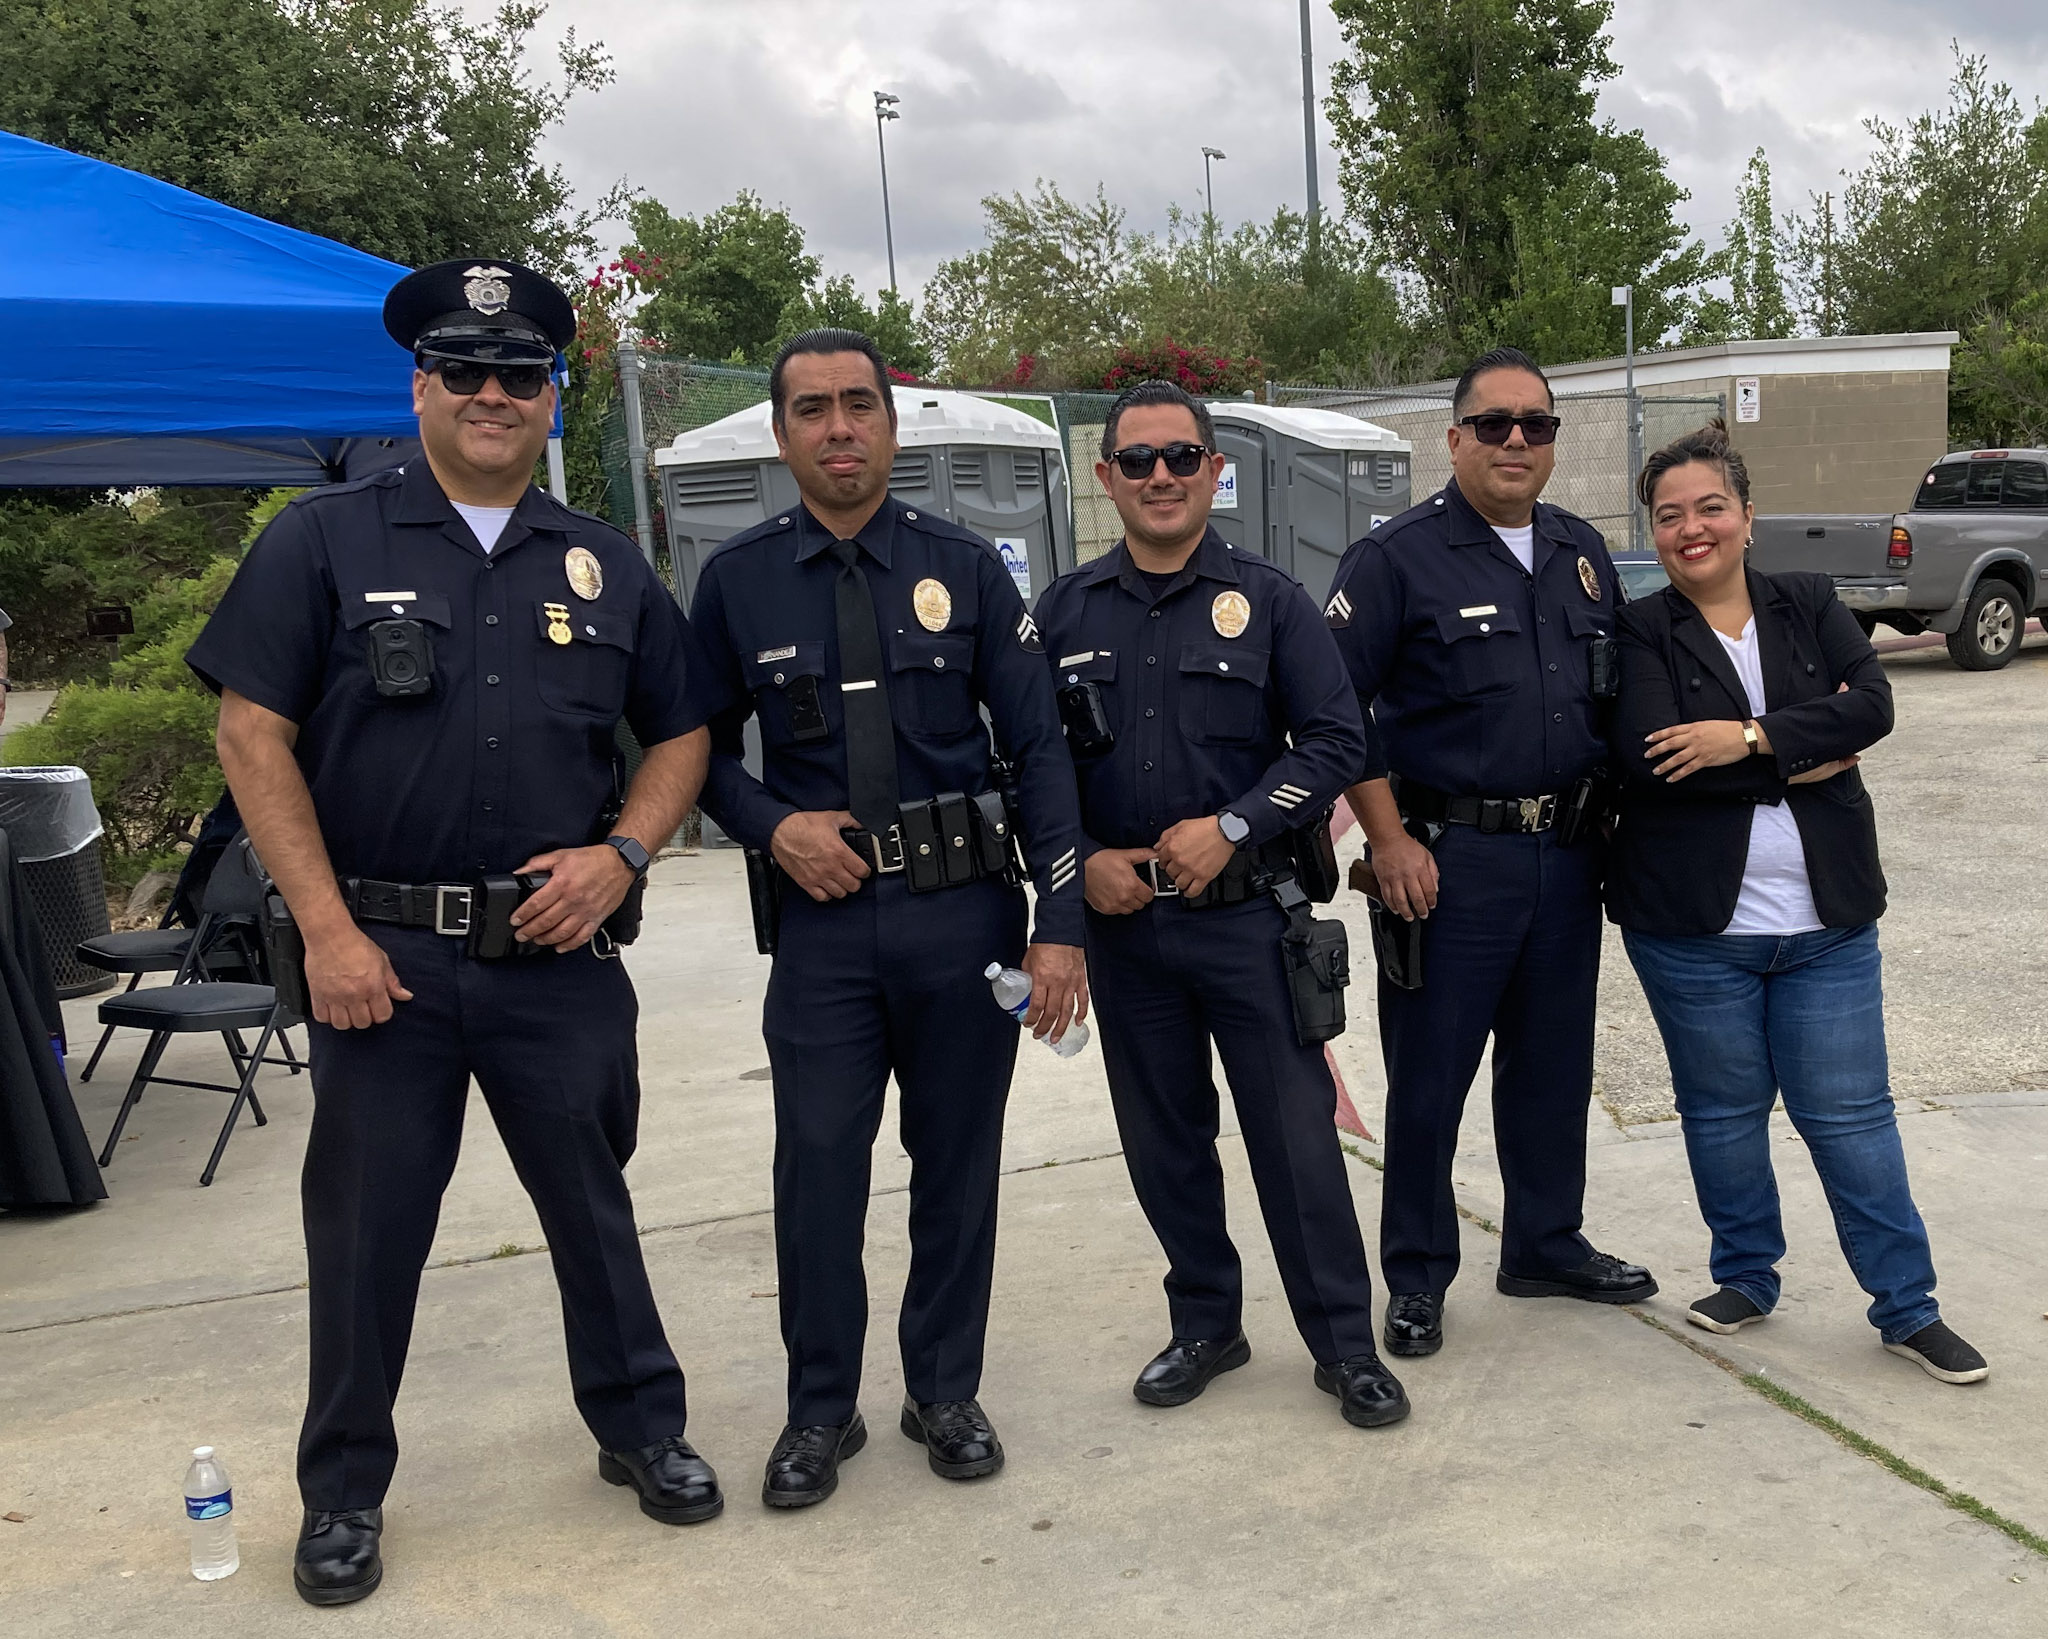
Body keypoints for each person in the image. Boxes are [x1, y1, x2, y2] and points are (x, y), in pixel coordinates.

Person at [188, 259, 720, 1607]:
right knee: (366, 1236)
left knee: (594, 1211)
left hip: (560, 956)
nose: (495, 393)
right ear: (419, 386)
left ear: (552, 395)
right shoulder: (322, 541)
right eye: (467, 372)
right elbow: (252, 732)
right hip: (383, 964)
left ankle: (641, 1428)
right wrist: (324, 931)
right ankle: (344, 1492)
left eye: (522, 375)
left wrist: (624, 853)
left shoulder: (603, 559)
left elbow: (685, 731)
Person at [684, 328, 1090, 1510]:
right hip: (821, 925)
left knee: (954, 1164)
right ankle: (820, 1410)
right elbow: (693, 752)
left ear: (890, 426)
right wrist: (770, 826)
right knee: (815, 1167)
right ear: (781, 435)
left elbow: (1040, 752)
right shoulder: (737, 579)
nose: (838, 427)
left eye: (858, 404)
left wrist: (1057, 923)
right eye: (811, 409)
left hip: (962, 917)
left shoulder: (964, 568)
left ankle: (942, 1388)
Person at [1034, 380, 1408, 1428]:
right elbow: (1031, 765)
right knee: (1163, 1140)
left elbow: (1336, 740)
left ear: (1215, 471)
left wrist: (1235, 824)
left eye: (1182, 458)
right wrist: (1075, 861)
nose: (1161, 476)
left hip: (1251, 919)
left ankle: (1341, 1343)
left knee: (1294, 1140)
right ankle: (1205, 1322)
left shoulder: (1273, 600)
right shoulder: (1062, 612)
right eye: (1139, 460)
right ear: (1105, 477)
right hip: (1127, 931)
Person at [1608, 423, 1987, 1385]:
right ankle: (1745, 1275)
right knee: (1723, 1113)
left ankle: (1907, 1307)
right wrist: (1799, 755)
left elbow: (1874, 706)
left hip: (1826, 927)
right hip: (1694, 931)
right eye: (1670, 515)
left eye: (1710, 508)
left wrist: (1742, 738)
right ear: (1654, 533)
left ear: (1746, 517)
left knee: (1852, 1118)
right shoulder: (1641, 629)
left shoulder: (1810, 601)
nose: (1692, 529)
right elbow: (1654, 759)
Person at [1324, 346, 1657, 1360]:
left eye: (1537, 425)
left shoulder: (1579, 550)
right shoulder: (1395, 559)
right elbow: (1334, 709)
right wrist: (1385, 841)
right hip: (1444, 863)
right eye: (1496, 423)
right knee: (1429, 1077)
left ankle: (1544, 1242)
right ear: (1453, 436)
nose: (1518, 441)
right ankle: (1417, 1276)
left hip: (1564, 856)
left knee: (1552, 1067)